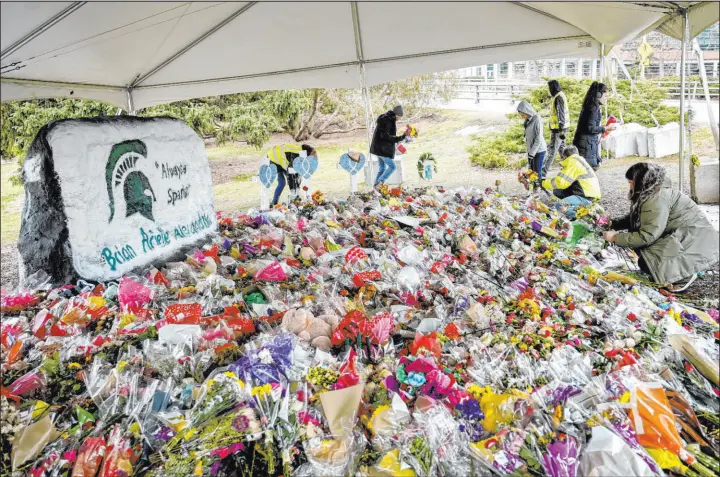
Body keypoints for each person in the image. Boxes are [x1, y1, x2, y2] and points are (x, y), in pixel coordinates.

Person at [604, 163, 719, 290]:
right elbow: (640, 218)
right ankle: (675, 271)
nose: (629, 185)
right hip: (688, 236)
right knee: (645, 260)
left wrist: (616, 237)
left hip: (692, 241)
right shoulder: (651, 191)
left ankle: (683, 275)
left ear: (642, 181)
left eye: (631, 182)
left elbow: (647, 235)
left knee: (647, 263)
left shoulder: (656, 198)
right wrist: (614, 223)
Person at [541, 145, 601, 218]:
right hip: (590, 193)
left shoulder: (572, 162)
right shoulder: (579, 160)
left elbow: (561, 182)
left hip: (585, 196)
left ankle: (584, 215)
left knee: (559, 206)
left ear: (565, 156)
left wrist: (543, 183)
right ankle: (577, 207)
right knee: (557, 191)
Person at [573, 81, 616, 170]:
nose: (606, 99)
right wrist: (606, 128)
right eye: (605, 96)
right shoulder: (593, 108)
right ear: (598, 94)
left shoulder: (591, 105)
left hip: (587, 143)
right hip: (586, 145)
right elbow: (590, 128)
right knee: (587, 170)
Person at [370, 105, 407, 186]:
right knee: (392, 166)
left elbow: (386, 135)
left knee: (382, 168)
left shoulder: (386, 118)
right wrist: (400, 137)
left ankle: (375, 188)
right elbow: (386, 136)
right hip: (383, 149)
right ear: (397, 115)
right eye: (400, 117)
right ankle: (380, 182)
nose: (400, 118)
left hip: (378, 148)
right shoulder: (389, 121)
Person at [544, 80, 569, 177]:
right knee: (562, 148)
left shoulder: (558, 97)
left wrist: (561, 127)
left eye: (549, 88)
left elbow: (560, 112)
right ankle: (569, 167)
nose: (549, 90)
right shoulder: (560, 95)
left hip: (559, 129)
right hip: (562, 128)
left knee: (552, 150)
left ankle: (543, 173)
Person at [517, 100, 547, 179]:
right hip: (532, 150)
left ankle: (537, 188)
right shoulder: (527, 120)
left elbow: (539, 138)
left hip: (539, 150)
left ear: (527, 111)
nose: (522, 117)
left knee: (536, 172)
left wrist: (532, 153)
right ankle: (532, 187)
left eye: (523, 115)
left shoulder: (537, 119)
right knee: (531, 171)